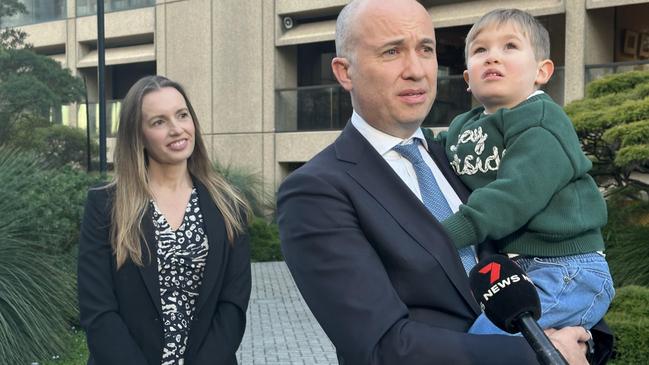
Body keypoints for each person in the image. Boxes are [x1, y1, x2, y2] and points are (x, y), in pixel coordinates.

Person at [277, 0, 611, 364]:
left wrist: (585, 342)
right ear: (345, 72)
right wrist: (541, 354)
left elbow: (551, 267)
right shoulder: (315, 191)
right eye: (392, 52)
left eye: (425, 50)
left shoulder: (462, 156)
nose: (416, 70)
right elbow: (381, 346)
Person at [429, 9, 614, 336]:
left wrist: (440, 236)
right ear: (468, 79)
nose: (492, 58)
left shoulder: (541, 121)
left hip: (569, 268)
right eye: (480, 50)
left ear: (541, 71)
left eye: (510, 47)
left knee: (489, 337)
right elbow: (435, 151)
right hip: (517, 268)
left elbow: (512, 196)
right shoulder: (463, 126)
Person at [78, 75, 251, 365]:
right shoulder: (106, 206)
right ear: (139, 135)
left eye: (182, 115)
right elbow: (98, 311)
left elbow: (233, 305)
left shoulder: (229, 205)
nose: (176, 129)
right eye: (159, 122)